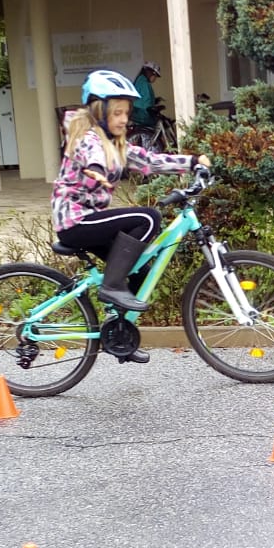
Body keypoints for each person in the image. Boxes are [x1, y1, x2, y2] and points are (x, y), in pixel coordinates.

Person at [51, 69, 210, 359]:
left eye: (127, 112)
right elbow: (92, 155)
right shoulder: (86, 136)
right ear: (99, 112)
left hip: (88, 219)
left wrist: (192, 161)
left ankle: (121, 337)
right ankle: (111, 286)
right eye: (118, 113)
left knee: (139, 271)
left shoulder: (117, 143)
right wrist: (97, 170)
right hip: (75, 220)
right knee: (148, 218)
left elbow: (150, 160)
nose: (125, 119)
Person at [130, 61, 162, 129]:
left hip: (139, 113)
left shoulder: (141, 80)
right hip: (142, 114)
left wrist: (155, 100)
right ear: (150, 73)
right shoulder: (144, 82)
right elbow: (146, 102)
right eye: (155, 76)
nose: (155, 78)